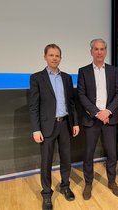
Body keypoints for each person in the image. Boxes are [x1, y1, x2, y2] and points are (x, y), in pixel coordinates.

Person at [29, 44, 80, 210]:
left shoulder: (66, 77)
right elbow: (33, 106)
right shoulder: (37, 78)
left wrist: (75, 122)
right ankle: (46, 194)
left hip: (65, 124)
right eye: (51, 55)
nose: (54, 58)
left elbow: (71, 103)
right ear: (45, 57)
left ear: (60, 58)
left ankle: (65, 186)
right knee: (46, 162)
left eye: (57, 55)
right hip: (46, 127)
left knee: (66, 159)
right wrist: (36, 129)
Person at [77, 38, 118, 200]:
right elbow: (81, 95)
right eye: (96, 49)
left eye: (102, 49)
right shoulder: (83, 71)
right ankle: (88, 183)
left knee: (111, 152)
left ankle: (112, 181)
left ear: (106, 51)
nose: (99, 52)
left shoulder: (113, 70)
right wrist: (97, 113)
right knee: (88, 153)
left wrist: (108, 111)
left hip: (109, 119)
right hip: (91, 119)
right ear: (91, 52)